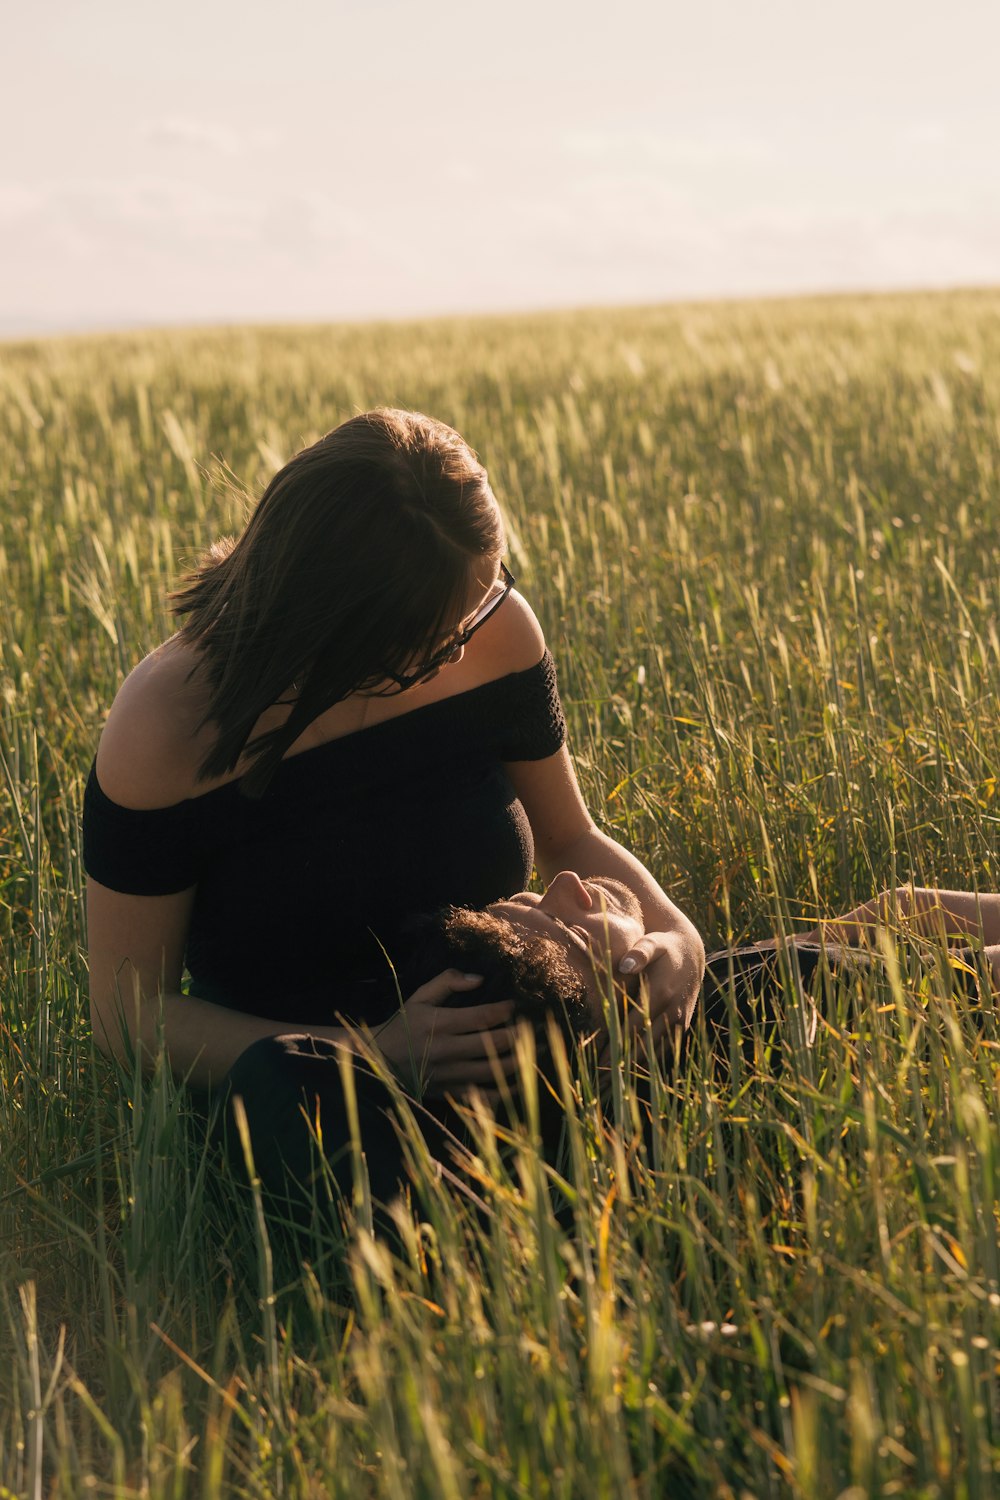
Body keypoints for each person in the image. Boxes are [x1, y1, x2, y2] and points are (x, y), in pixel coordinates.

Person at [84, 409, 705, 1181]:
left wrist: (680, 941)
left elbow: (570, 838)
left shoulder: (494, 631)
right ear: (333, 627)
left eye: (482, 604)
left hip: (518, 1031)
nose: (465, 640)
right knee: (324, 1124)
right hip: (320, 1087)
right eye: (433, 640)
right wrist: (372, 1056)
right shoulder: (165, 726)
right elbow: (126, 1013)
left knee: (806, 984)